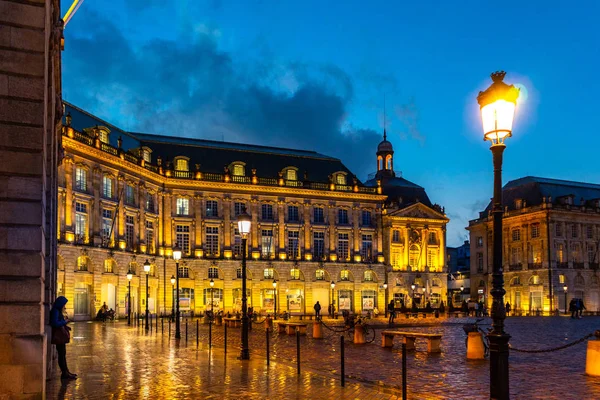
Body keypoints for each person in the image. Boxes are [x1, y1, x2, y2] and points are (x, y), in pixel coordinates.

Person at [50, 296, 77, 380]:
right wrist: (64, 321)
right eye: (64, 304)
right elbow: (54, 323)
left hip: (60, 335)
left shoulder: (56, 310)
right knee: (61, 355)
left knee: (63, 354)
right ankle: (64, 373)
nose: (64, 306)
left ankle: (66, 371)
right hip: (59, 336)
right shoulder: (55, 311)